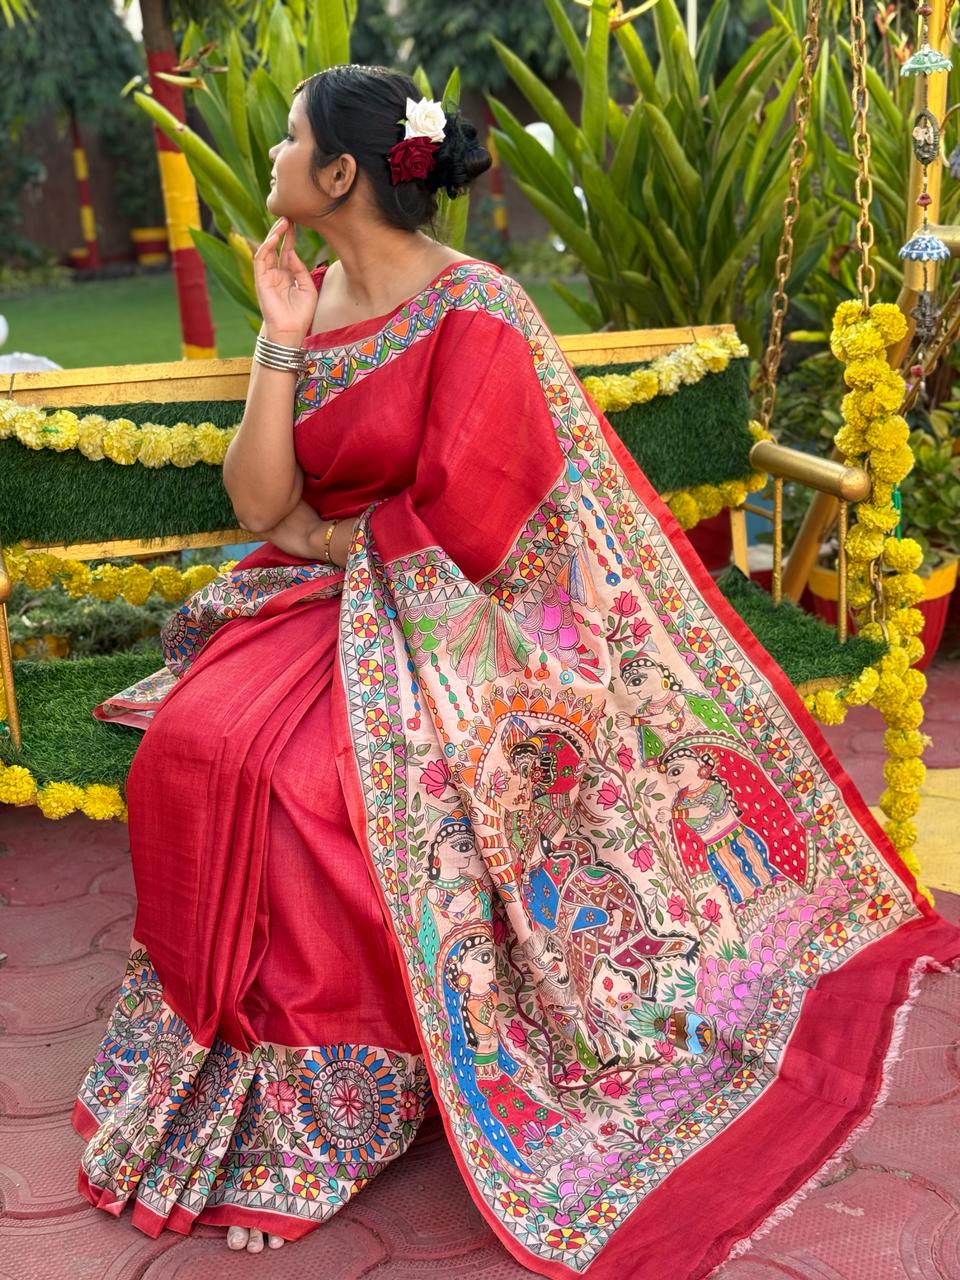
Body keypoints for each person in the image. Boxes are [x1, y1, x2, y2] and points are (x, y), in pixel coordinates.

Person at [73, 63, 960, 1279]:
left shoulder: (479, 308)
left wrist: (352, 545)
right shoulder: (310, 294)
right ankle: (234, 1067)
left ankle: (342, 1095)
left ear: (339, 174)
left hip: (472, 628)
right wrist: (278, 343)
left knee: (310, 780)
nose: (274, 157)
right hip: (325, 608)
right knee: (197, 745)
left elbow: (508, 529)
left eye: (289, 139)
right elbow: (262, 502)